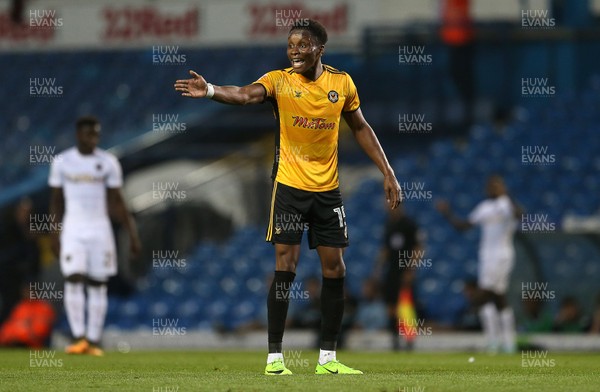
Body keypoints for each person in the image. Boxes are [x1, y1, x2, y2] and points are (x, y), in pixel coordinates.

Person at [174, 19, 401, 375]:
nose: (294, 50)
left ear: (320, 49)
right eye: (291, 45)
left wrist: (388, 171)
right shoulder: (279, 81)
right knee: (286, 267)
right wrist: (210, 90)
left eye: (303, 45)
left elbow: (360, 127)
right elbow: (245, 95)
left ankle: (328, 359)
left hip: (327, 190)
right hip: (290, 187)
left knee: (336, 268)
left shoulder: (341, 83)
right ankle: (275, 358)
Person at [49, 116, 141, 356]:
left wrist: (132, 234)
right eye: (90, 134)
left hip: (100, 228)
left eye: (97, 134)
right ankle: (79, 337)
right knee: (74, 277)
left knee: (98, 284)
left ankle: (93, 339)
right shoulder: (62, 162)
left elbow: (119, 200)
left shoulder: (108, 162)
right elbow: (56, 201)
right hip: (73, 228)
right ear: (79, 135)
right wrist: (54, 232)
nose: (94, 139)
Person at [436, 175, 521, 353]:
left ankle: (505, 341)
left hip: (501, 256)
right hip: (486, 257)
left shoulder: (506, 204)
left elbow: (520, 215)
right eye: (491, 186)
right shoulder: (484, 207)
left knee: (487, 294)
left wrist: (508, 196)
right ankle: (498, 342)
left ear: (503, 187)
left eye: (497, 185)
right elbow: (463, 226)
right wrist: (447, 213)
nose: (493, 188)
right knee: (497, 298)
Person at [373, 203, 423, 350]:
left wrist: (410, 270)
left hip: (405, 269)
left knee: (406, 306)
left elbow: (418, 248)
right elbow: (386, 249)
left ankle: (409, 342)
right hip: (392, 270)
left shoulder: (409, 224)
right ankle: (394, 341)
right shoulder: (388, 224)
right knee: (391, 306)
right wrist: (378, 268)